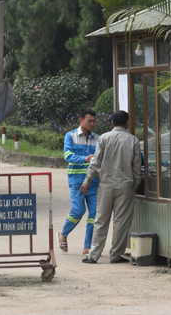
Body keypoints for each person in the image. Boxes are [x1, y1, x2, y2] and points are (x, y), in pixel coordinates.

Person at [80, 110, 142, 264]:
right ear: (127, 123)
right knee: (121, 221)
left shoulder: (104, 138)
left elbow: (95, 162)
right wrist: (136, 184)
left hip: (106, 184)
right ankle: (115, 255)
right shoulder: (133, 140)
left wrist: (87, 181)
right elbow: (136, 166)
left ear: (113, 123)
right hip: (126, 186)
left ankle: (93, 255)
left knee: (101, 220)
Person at [58, 108, 100, 255]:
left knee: (94, 214)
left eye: (94, 121)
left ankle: (88, 246)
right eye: (90, 121)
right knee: (78, 210)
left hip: (93, 182)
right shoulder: (70, 136)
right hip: (76, 180)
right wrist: (84, 159)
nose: (92, 124)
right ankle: (63, 233)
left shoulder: (98, 139)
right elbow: (68, 155)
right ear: (81, 120)